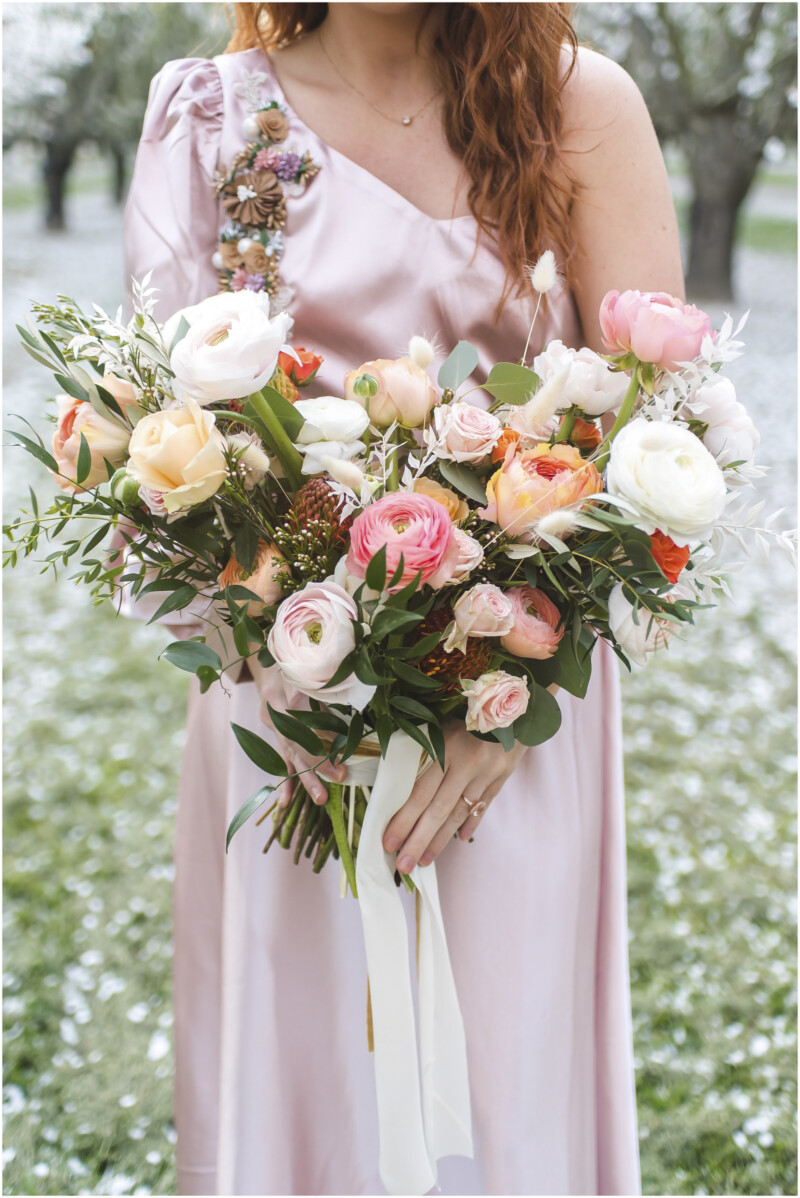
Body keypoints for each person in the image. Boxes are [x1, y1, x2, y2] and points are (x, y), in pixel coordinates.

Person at [123, 3, 683, 1194]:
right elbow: (154, 451)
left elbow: (653, 435)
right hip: (288, 719)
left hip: (510, 734)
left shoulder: (579, 109)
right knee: (306, 1081)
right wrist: (289, 669)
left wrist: (506, 696)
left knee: (501, 1089)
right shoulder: (208, 117)